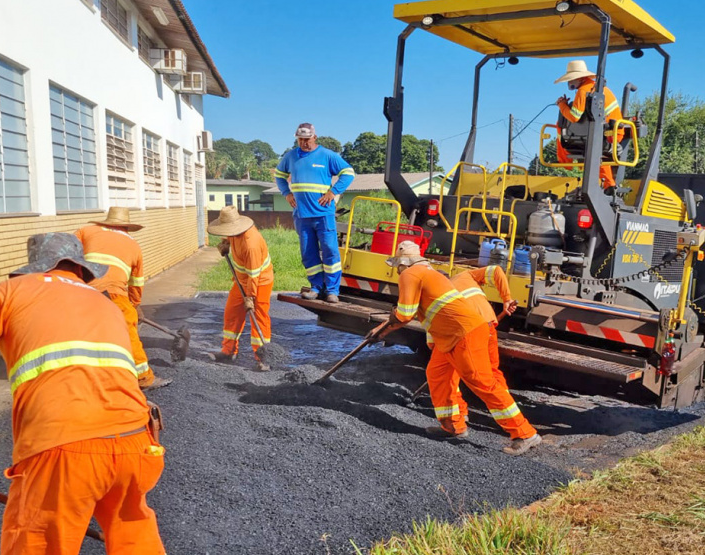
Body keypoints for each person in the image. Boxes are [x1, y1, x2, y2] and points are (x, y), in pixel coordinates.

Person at [0, 233, 165, 554]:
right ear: (81, 270)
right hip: (137, 441)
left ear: (31, 268)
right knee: (134, 539)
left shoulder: (5, 292)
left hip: (64, 447)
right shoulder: (107, 304)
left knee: (38, 543)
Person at [374, 241, 541, 456]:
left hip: (465, 333)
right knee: (437, 374)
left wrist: (389, 321)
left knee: (483, 382)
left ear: (402, 263)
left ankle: (525, 433)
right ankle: (453, 426)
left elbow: (405, 313)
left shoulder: (411, 274)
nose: (397, 271)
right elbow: (432, 317)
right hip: (452, 337)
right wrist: (383, 330)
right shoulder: (430, 275)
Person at [75, 206, 170, 390]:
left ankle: (84, 375)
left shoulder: (86, 231)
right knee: (128, 332)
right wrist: (134, 305)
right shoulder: (133, 246)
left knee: (84, 331)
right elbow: (136, 283)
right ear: (126, 228)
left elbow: (66, 250)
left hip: (81, 290)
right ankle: (144, 378)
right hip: (114, 292)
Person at [274, 122, 355, 304]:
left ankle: (332, 290)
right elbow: (279, 175)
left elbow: (348, 172)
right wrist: (286, 193)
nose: (304, 143)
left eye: (307, 139)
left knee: (330, 251)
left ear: (314, 137)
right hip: (302, 215)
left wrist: (333, 192)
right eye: (300, 139)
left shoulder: (326, 155)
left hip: (323, 214)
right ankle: (316, 287)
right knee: (308, 253)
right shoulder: (291, 157)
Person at [207, 205, 275, 371]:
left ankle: (263, 358)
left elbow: (254, 276)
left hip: (259, 282)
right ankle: (228, 351)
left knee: (258, 318)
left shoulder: (251, 244)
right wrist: (225, 245)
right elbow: (230, 239)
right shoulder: (234, 233)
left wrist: (250, 298)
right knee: (231, 313)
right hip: (241, 280)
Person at [449, 265, 517, 420]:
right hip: (489, 326)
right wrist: (507, 299)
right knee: (492, 370)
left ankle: (459, 414)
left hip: (470, 331)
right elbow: (496, 270)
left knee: (460, 372)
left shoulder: (440, 292)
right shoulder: (465, 276)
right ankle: (506, 409)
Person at [554, 59, 624, 191]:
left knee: (561, 126)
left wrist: (562, 105)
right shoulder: (599, 89)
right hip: (609, 133)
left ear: (580, 78)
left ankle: (565, 161)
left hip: (607, 136)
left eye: (570, 79)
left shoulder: (583, 91)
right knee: (595, 149)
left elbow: (574, 117)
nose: (569, 83)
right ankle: (609, 185)